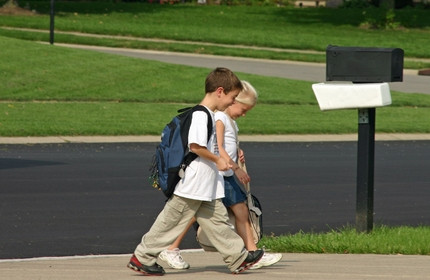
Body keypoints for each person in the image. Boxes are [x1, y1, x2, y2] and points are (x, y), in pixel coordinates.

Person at [127, 68, 264, 276]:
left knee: (217, 222)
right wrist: (219, 159)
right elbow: (196, 146)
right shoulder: (201, 114)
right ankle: (142, 257)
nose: (231, 102)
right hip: (194, 185)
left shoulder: (209, 114)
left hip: (206, 185)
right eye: (232, 97)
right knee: (170, 222)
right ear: (220, 91)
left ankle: (238, 257)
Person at [158, 81, 282, 271]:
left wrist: (238, 151)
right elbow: (218, 147)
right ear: (232, 101)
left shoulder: (229, 120)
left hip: (224, 173)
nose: (244, 113)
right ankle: (249, 252)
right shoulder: (220, 119)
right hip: (221, 174)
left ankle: (250, 252)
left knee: (235, 212)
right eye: (243, 108)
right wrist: (235, 167)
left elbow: (227, 145)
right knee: (202, 213)